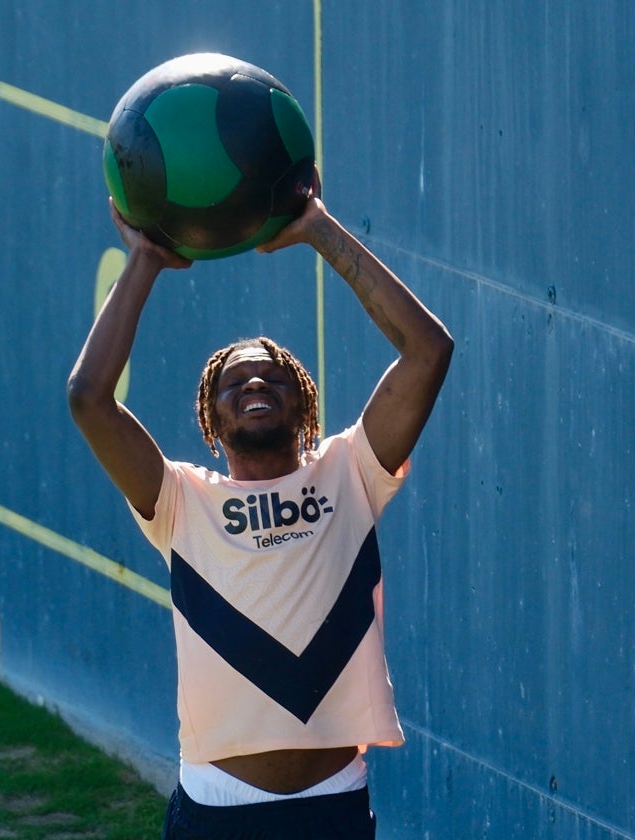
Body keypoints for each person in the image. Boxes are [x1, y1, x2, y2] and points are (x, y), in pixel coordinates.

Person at [67, 170, 453, 839]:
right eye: (234, 380)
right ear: (211, 422)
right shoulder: (180, 500)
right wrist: (145, 260)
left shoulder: (350, 473)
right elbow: (89, 399)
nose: (254, 381)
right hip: (217, 813)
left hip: (333, 805)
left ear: (302, 403)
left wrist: (318, 230)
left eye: (273, 376)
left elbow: (428, 351)